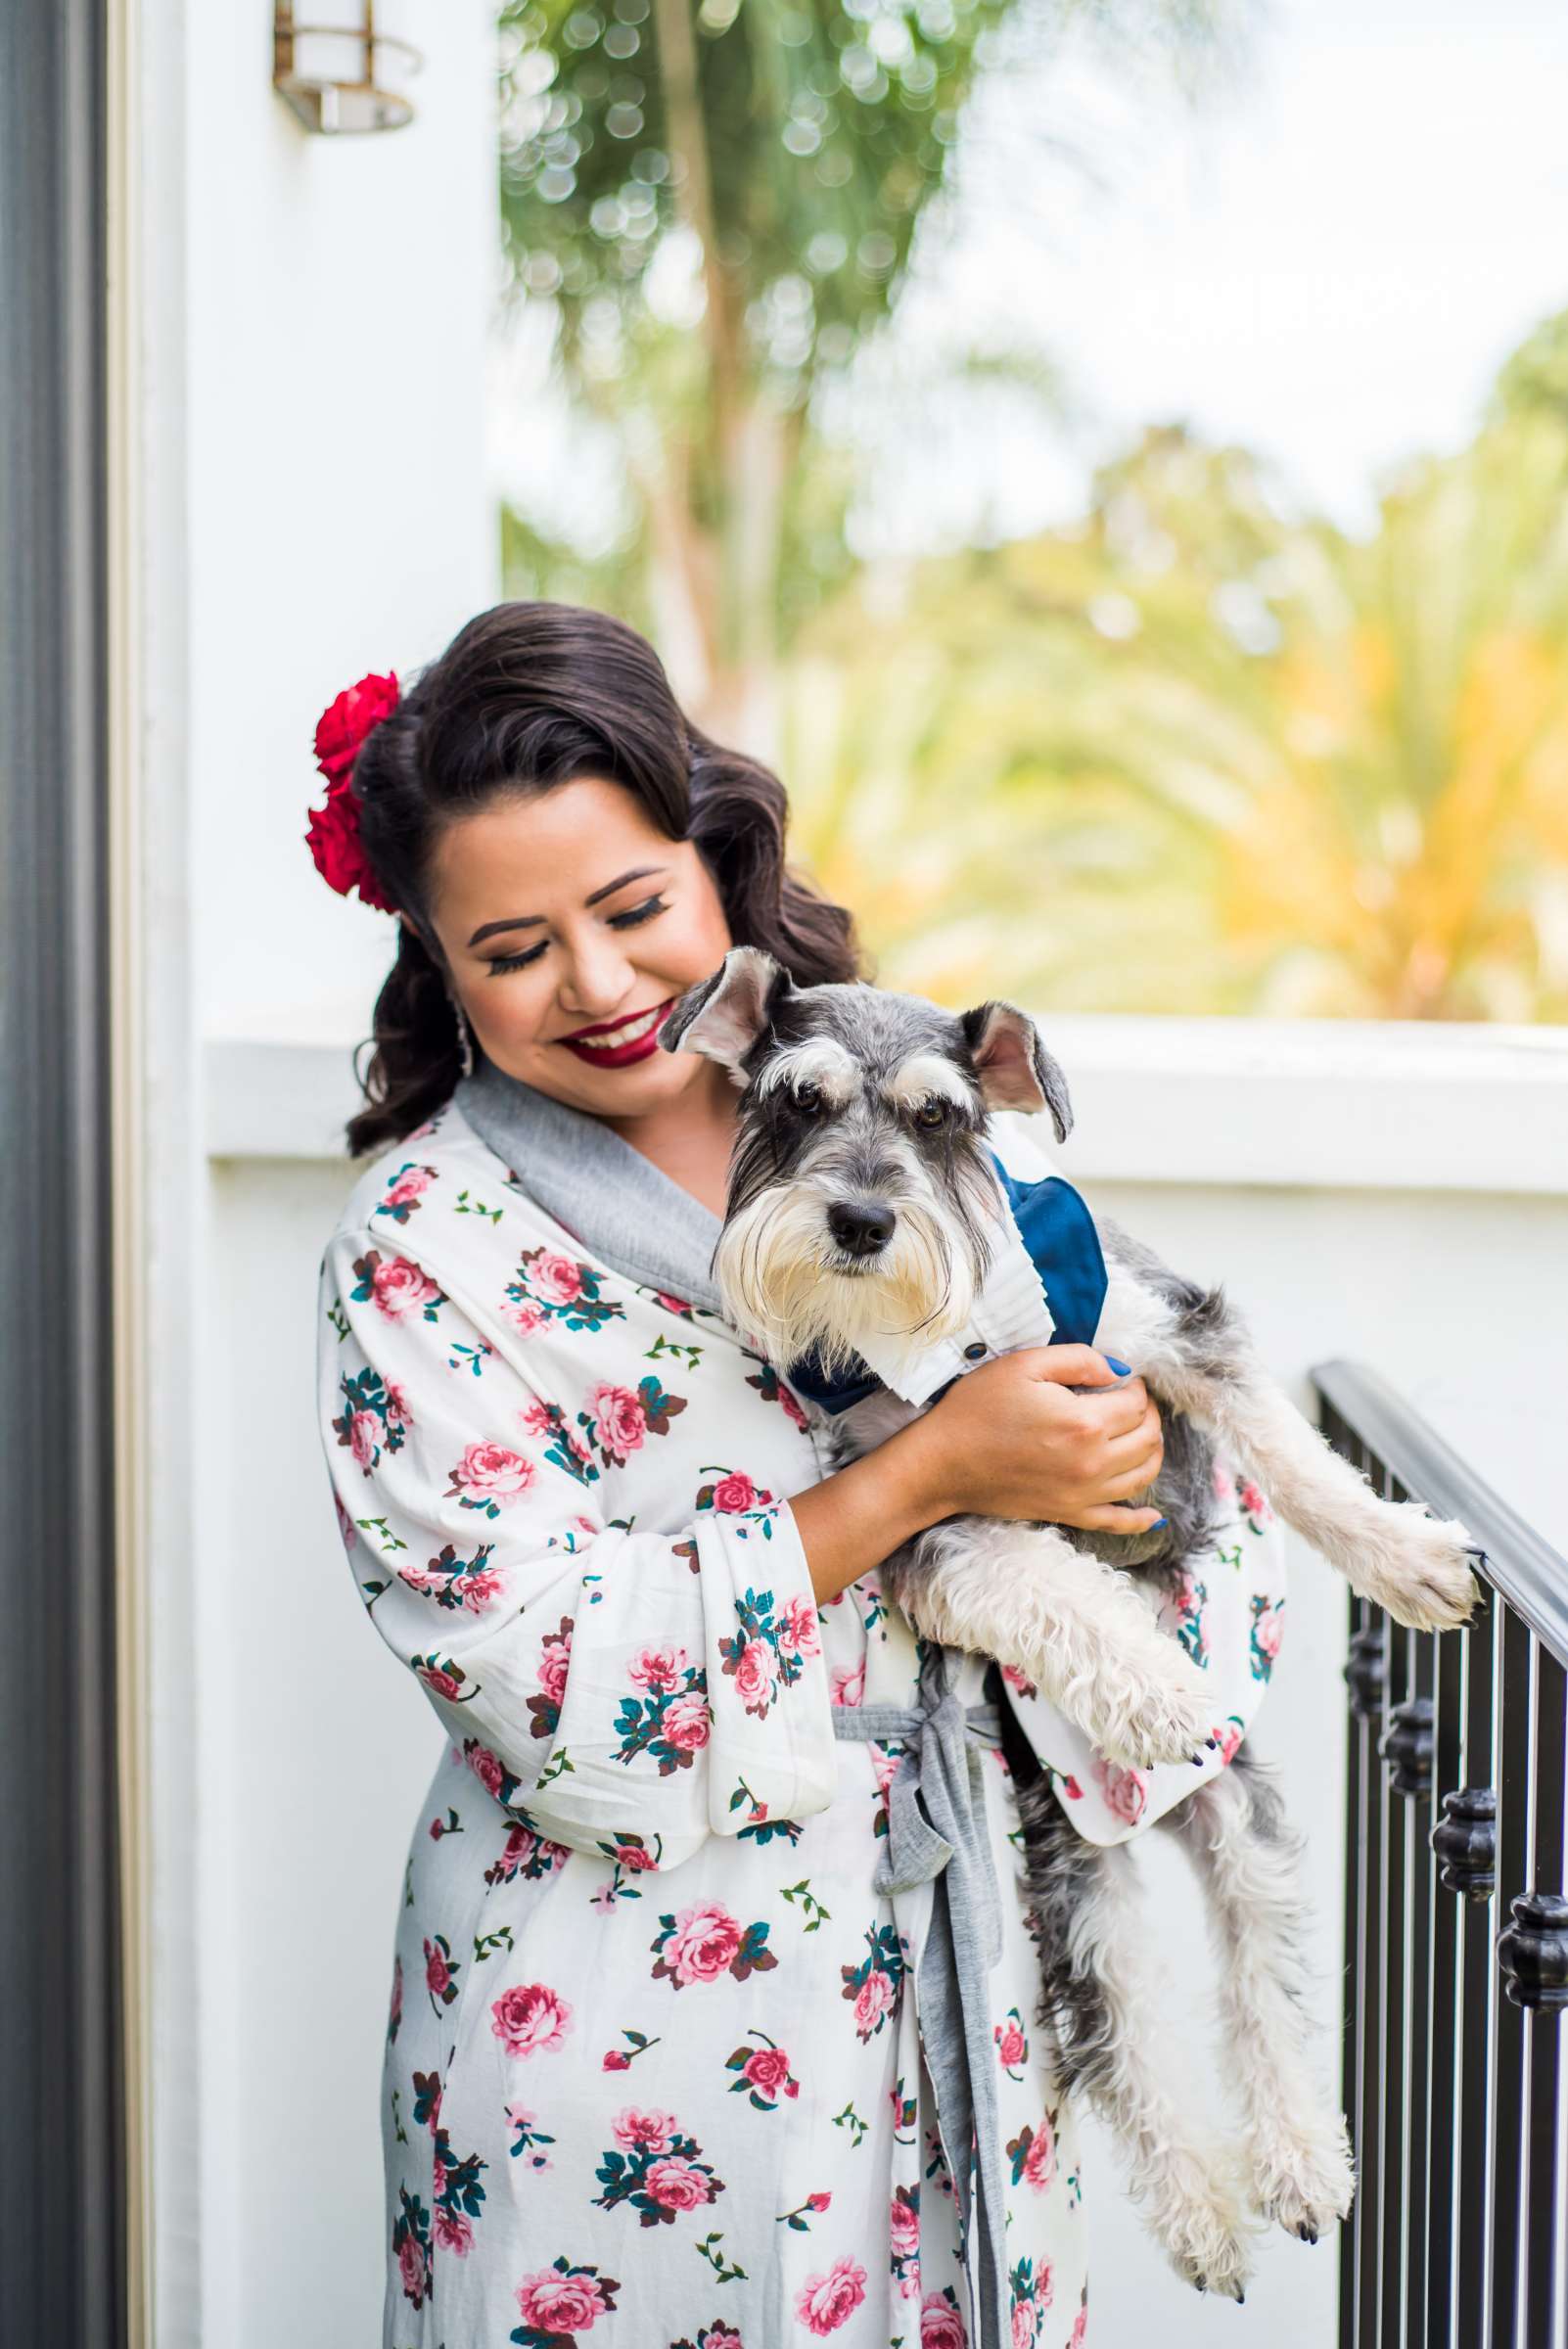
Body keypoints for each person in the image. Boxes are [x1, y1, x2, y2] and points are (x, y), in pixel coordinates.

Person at [309, 602, 1282, 2349]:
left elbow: (1146, 1438)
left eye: (631, 911)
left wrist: (1119, 1478)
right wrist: (915, 1481)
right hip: (617, 2041)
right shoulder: (421, 1248)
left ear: (716, 859)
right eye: (513, 947)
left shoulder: (887, 1102)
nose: (598, 987)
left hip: (947, 1973)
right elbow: (529, 1673)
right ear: (435, 962)